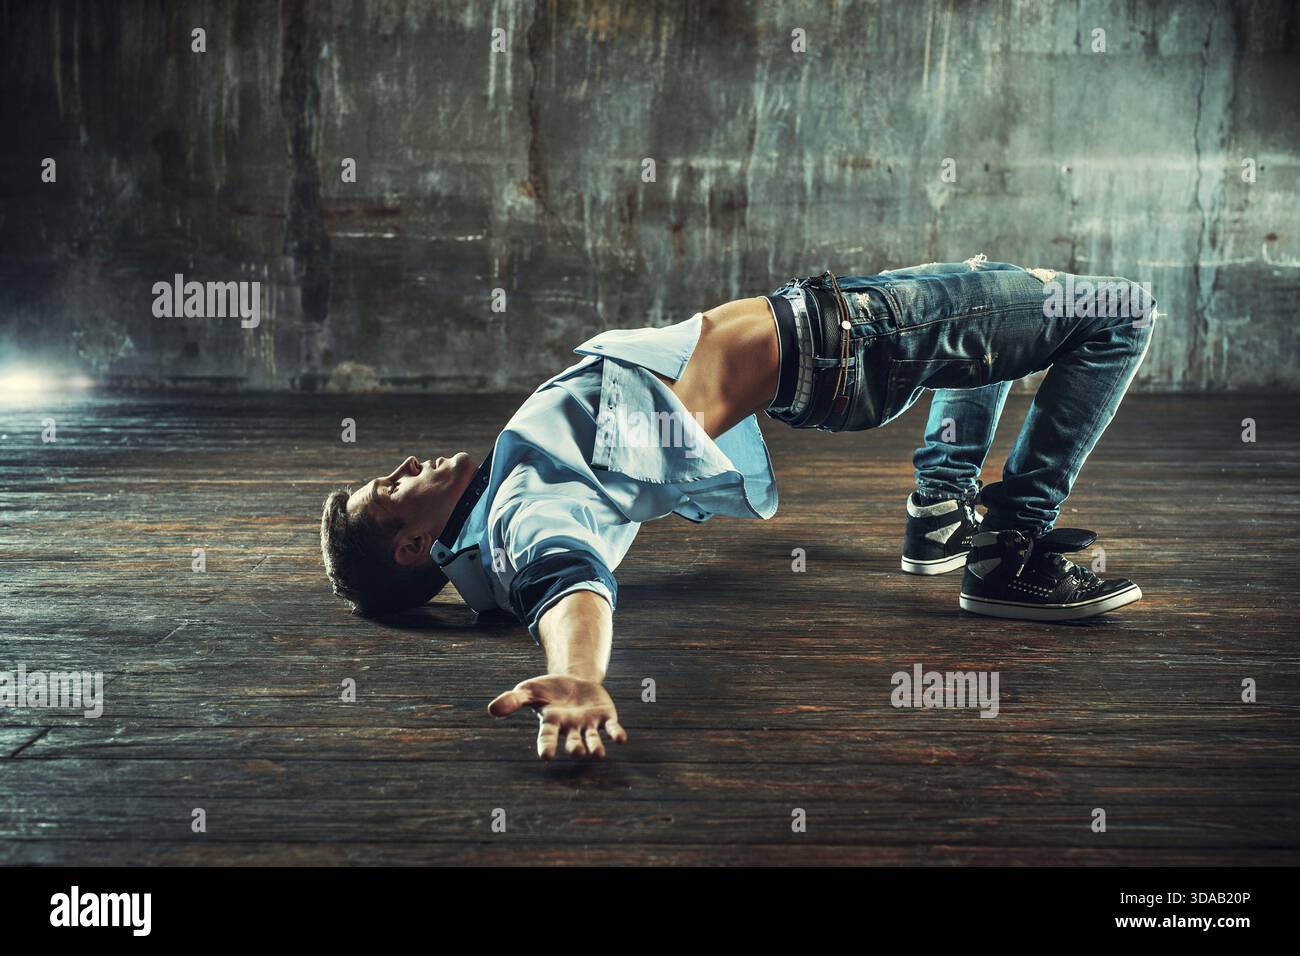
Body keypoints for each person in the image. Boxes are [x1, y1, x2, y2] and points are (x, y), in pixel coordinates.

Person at [320, 257, 1157, 759]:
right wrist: (578, 676)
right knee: (1118, 313)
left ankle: (941, 513)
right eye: (388, 491)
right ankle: (1008, 550)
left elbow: (545, 573)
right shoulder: (523, 514)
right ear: (413, 548)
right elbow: (568, 583)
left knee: (992, 287)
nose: (401, 467)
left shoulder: (500, 514)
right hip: (847, 340)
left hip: (830, 343)